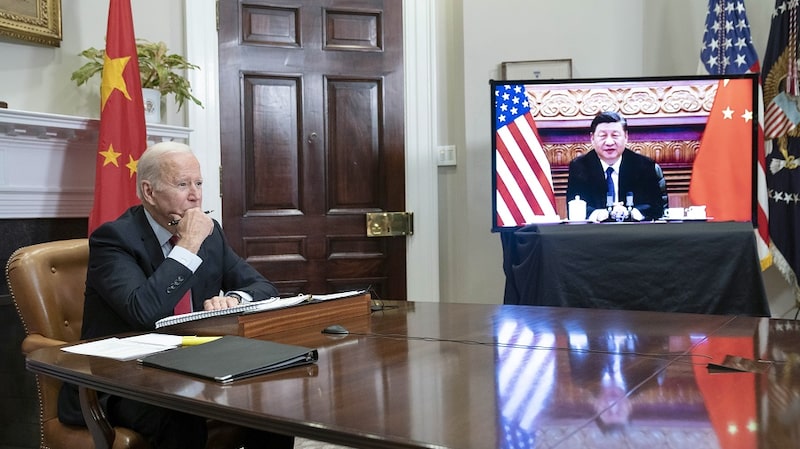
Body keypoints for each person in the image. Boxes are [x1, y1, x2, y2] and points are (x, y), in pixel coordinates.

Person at [57, 142, 293, 449]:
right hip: (119, 381)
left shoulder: (211, 233)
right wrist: (189, 245)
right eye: (182, 184)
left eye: (198, 183)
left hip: (195, 366)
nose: (195, 194)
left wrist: (234, 298)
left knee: (270, 395)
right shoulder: (114, 240)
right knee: (179, 411)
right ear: (149, 192)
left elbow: (263, 288)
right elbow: (145, 312)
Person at [566, 111, 666, 222]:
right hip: (595, 234)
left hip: (636, 233)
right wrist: (599, 214)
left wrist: (631, 213)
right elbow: (575, 205)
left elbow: (656, 207)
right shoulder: (580, 167)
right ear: (592, 138)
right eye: (603, 136)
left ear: (626, 137)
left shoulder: (644, 166)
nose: (609, 142)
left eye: (615, 135)